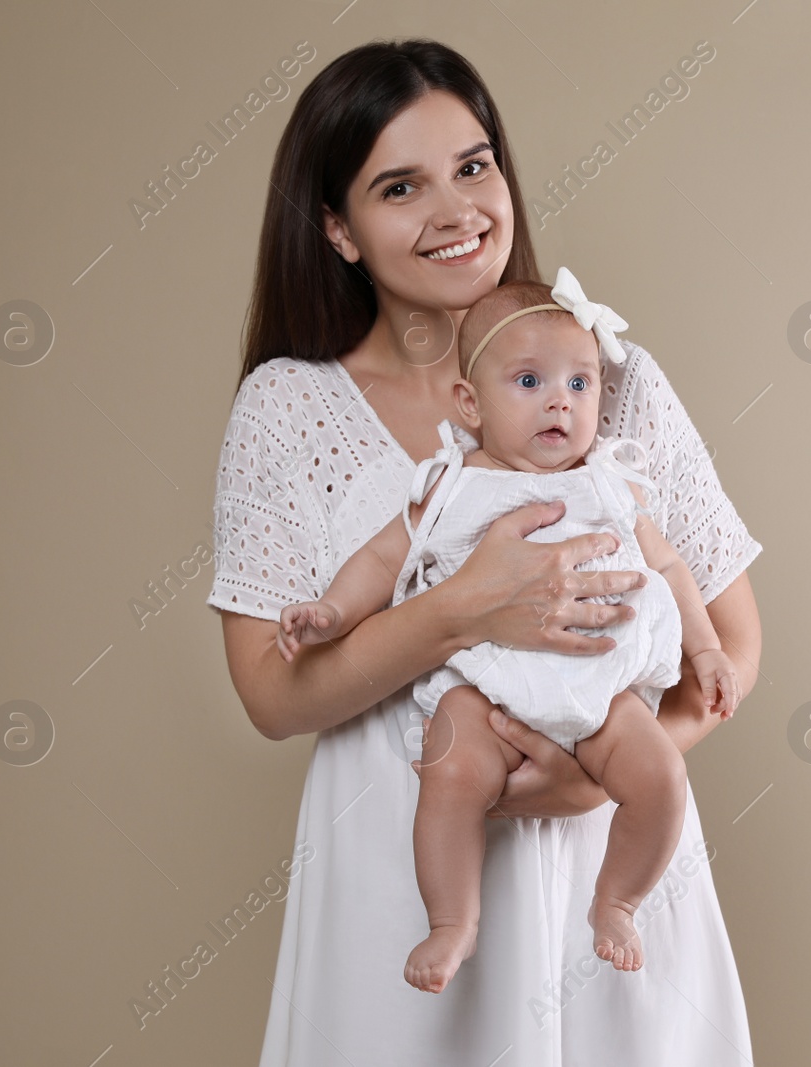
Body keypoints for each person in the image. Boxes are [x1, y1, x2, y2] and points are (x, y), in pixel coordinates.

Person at [208, 37, 764, 1065]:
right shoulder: (291, 407)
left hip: (614, 870)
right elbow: (272, 694)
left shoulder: (605, 375)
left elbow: (728, 639)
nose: (458, 209)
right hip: (402, 864)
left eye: (473, 165)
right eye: (399, 186)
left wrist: (597, 779)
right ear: (336, 227)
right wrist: (463, 607)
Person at [275, 268, 744, 994]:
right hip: (485, 683)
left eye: (580, 383)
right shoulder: (453, 484)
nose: (561, 399)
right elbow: (380, 557)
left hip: (599, 682)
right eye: (529, 381)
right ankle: (452, 919)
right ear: (471, 402)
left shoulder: (610, 484)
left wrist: (707, 647)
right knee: (451, 770)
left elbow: (672, 567)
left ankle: (616, 899)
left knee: (661, 774)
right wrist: (333, 611)